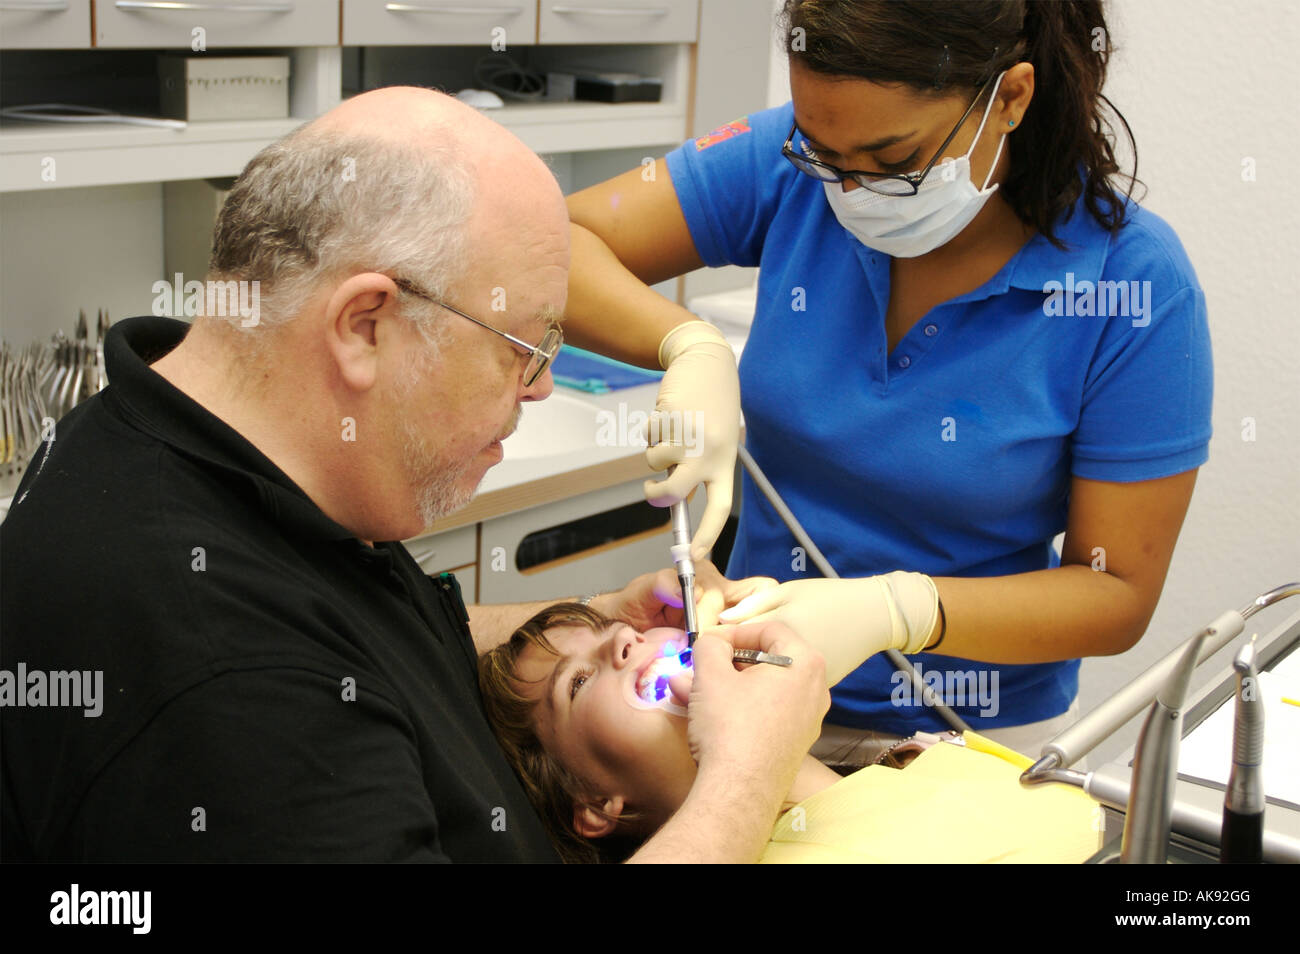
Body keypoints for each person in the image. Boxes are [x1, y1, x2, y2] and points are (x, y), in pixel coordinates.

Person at [0, 86, 828, 863]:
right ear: (365, 323)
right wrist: (744, 775)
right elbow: (285, 673)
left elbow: (357, 644)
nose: (541, 387)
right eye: (527, 348)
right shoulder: (223, 682)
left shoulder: (209, 443)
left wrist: (577, 621)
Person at [559, 0, 1213, 767]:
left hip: (965, 739)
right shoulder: (795, 157)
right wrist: (687, 343)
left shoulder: (1132, 287)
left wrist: (899, 611)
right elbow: (553, 242)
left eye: (893, 160)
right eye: (822, 153)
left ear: (1009, 98)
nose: (848, 188)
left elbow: (1117, 595)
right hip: (743, 698)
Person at [478, 602, 1105, 863]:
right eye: (577, 683)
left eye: (626, 630)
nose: (623, 637)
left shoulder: (928, 756)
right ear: (596, 804)